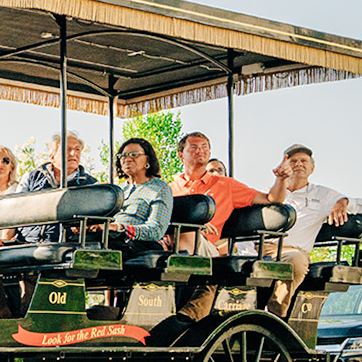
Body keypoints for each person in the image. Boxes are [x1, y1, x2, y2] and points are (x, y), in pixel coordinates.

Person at [149, 131, 276, 344]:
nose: (201, 151)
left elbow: (271, 198)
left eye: (205, 147)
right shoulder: (170, 188)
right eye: (194, 147)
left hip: (207, 247)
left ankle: (184, 310)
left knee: (188, 234)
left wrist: (280, 178)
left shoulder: (226, 185)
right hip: (173, 243)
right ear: (181, 154)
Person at [263, 144, 356, 317]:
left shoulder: (323, 195)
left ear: (312, 168)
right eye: (293, 161)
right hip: (260, 247)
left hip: (291, 251)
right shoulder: (270, 193)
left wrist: (343, 202)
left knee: (295, 260)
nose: (299, 164)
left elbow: (357, 204)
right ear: (284, 166)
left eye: (304, 161)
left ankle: (275, 315)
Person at [16, 131, 99, 244]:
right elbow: (15, 211)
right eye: (67, 149)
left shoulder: (91, 185)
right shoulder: (31, 178)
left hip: (68, 244)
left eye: (77, 149)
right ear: (52, 157)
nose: (73, 153)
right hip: (27, 242)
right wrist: (5, 239)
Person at [102, 137, 172, 258]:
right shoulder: (118, 191)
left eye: (134, 154)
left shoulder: (159, 188)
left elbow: (156, 230)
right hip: (111, 237)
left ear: (147, 160)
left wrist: (121, 228)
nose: (127, 159)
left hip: (141, 243)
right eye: (123, 156)